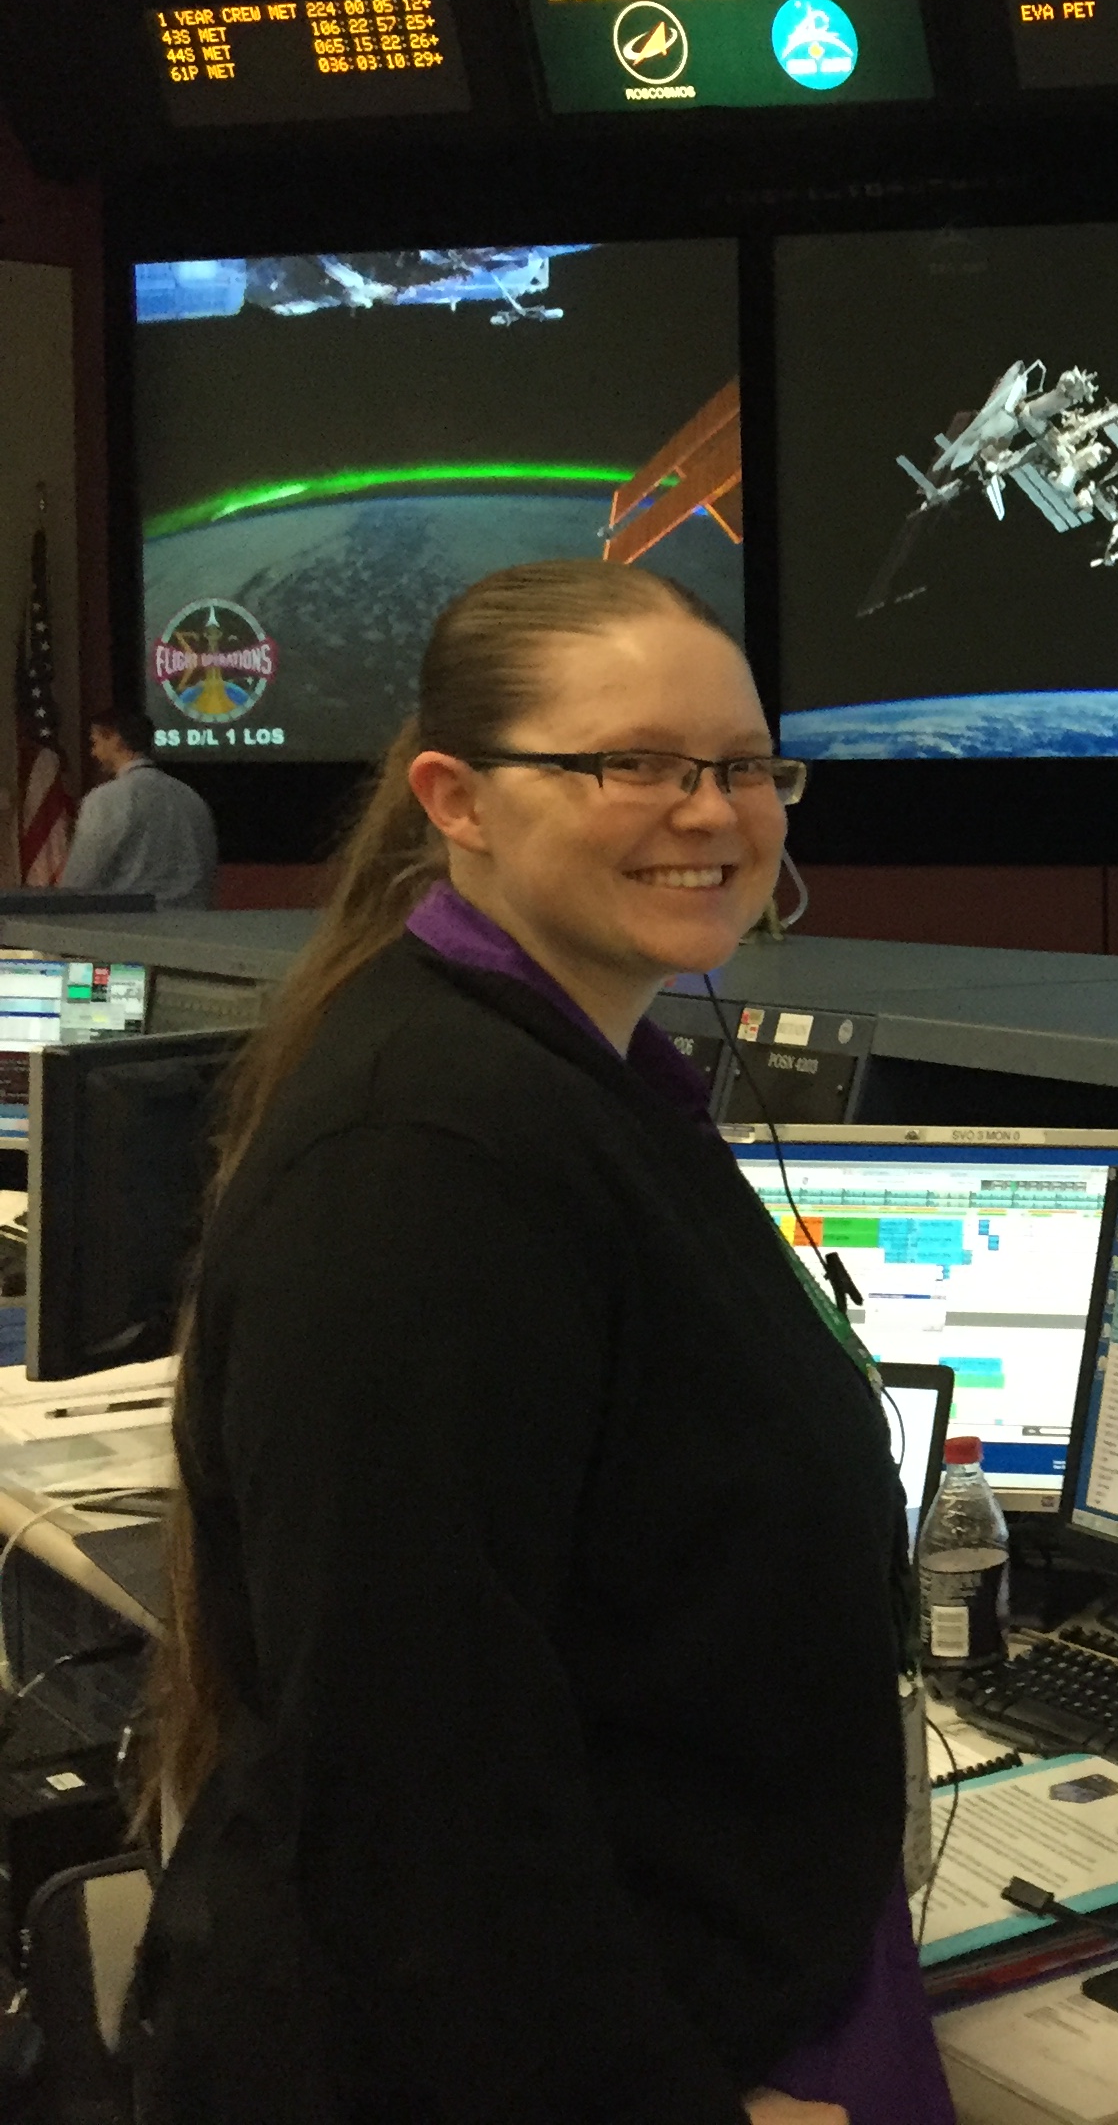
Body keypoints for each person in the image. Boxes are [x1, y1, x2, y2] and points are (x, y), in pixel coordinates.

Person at [132, 563, 947, 2125]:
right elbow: (411, 1770)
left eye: (745, 767)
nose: (711, 813)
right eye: (631, 763)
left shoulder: (569, 1083)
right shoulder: (423, 1158)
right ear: (457, 799)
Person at [64, 708, 217, 908]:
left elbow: (81, 877)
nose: (93, 753)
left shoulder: (105, 799)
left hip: (130, 922)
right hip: (193, 921)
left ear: (116, 740)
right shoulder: (190, 796)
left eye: (95, 742)